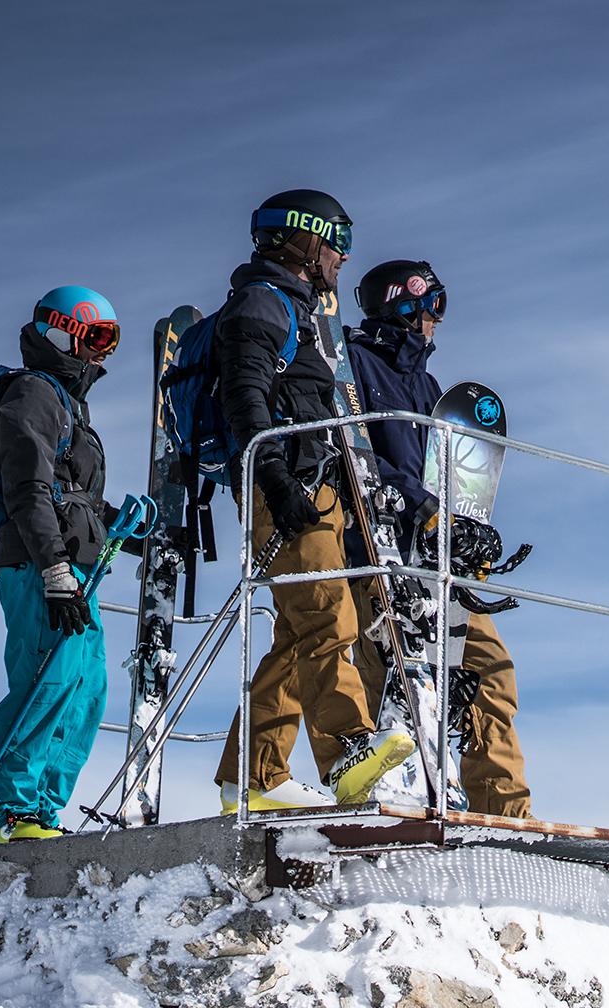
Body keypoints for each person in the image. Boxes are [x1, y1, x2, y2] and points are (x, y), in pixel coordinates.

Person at [211, 189, 415, 813]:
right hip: (286, 487)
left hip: (310, 484)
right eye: (338, 241)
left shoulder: (293, 308)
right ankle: (348, 752)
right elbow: (244, 393)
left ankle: (254, 776)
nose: (344, 256)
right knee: (328, 616)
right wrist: (274, 478)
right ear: (301, 239)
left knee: (297, 632)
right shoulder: (262, 303)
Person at [322, 259, 534, 818]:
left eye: (441, 304)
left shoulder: (427, 384)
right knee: (388, 676)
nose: (437, 318)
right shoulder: (352, 365)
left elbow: (446, 472)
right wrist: (424, 507)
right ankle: (381, 798)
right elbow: (356, 456)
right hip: (378, 552)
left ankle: (505, 812)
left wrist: (466, 528)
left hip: (436, 561)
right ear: (402, 305)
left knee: (489, 670)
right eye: (431, 304)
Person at [0, 286, 120, 843]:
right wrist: (54, 570)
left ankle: (39, 811)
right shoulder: (33, 392)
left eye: (111, 341)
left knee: (86, 689)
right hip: (40, 564)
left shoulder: (69, 403)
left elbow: (71, 496)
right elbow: (27, 488)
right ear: (64, 332)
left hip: (75, 567)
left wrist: (126, 527)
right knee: (46, 680)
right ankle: (3, 814)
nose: (104, 352)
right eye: (98, 337)